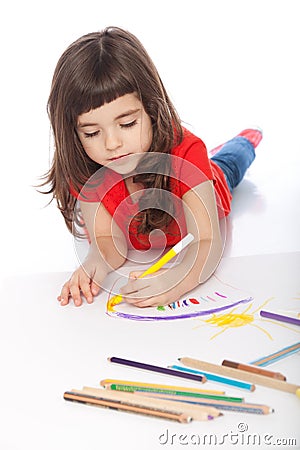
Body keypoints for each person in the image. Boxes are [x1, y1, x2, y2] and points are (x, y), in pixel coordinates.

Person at [42, 26, 262, 308]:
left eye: (127, 124)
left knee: (231, 162)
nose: (112, 144)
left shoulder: (186, 153)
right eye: (92, 133)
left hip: (213, 178)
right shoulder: (87, 167)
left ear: (152, 109)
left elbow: (207, 240)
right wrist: (94, 263)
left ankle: (246, 139)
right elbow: (108, 239)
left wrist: (176, 280)